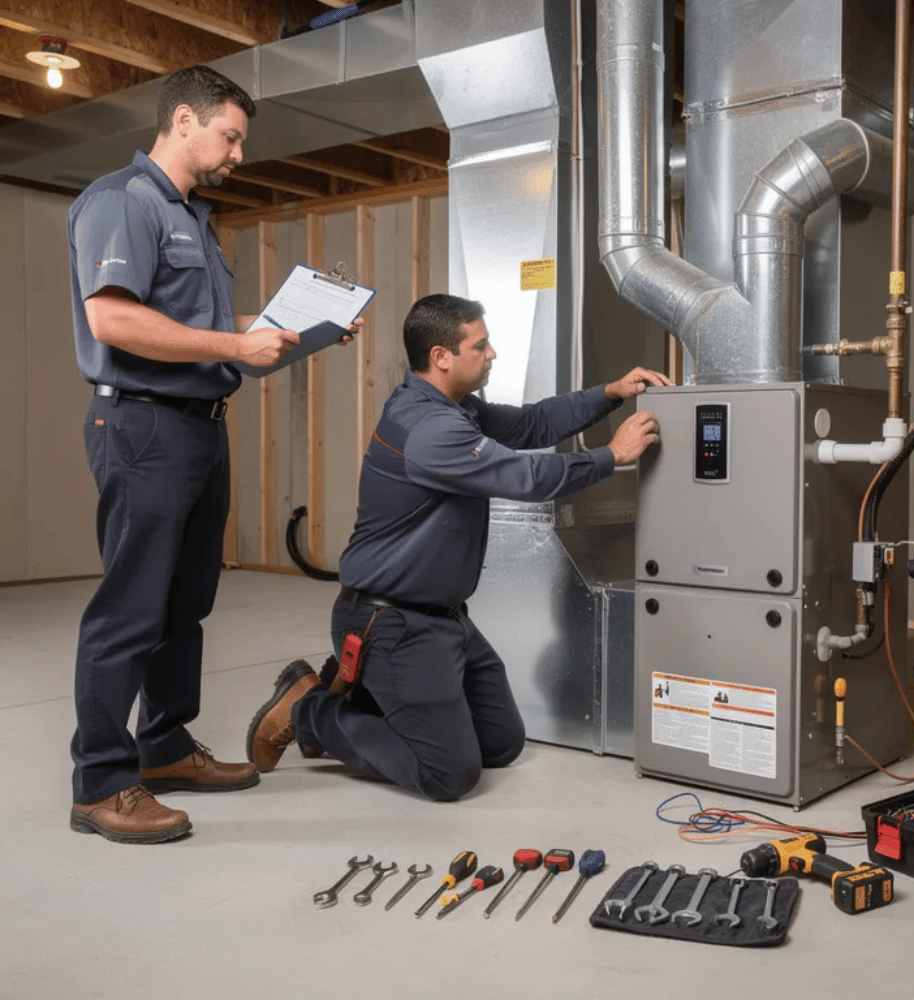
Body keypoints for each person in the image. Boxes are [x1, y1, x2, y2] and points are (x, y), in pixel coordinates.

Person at [66, 65, 357, 844]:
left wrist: (305, 328)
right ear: (184, 121)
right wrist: (235, 340)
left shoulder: (196, 220)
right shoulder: (122, 204)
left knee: (184, 605)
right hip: (143, 426)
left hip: (198, 423)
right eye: (230, 136)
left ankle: (161, 748)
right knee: (130, 610)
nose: (237, 153)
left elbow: (219, 337)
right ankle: (99, 782)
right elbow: (114, 322)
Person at [245, 294, 667, 801]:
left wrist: (608, 393)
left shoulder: (454, 408)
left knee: (501, 743)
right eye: (480, 345)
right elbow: (525, 475)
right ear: (441, 356)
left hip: (443, 618)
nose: (492, 354)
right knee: (448, 774)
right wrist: (611, 456)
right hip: (391, 622)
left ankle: (368, 694)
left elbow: (531, 424)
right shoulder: (431, 430)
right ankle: (310, 709)